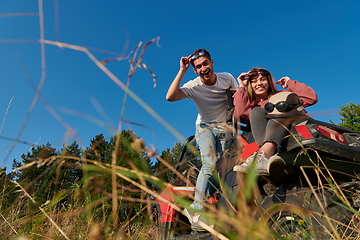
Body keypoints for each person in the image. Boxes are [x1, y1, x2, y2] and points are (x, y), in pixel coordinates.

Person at [166, 49, 238, 230]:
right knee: (209, 163)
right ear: (195, 70)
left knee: (223, 170)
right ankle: (196, 211)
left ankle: (216, 206)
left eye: (205, 64)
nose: (203, 68)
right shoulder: (194, 85)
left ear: (212, 63)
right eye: (198, 67)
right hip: (205, 127)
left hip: (225, 128)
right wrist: (182, 70)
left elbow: (237, 100)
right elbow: (170, 97)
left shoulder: (227, 78)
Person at [232, 67, 318, 180]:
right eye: (254, 81)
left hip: (293, 134)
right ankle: (272, 160)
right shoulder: (253, 107)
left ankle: (263, 155)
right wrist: (241, 86)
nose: (259, 83)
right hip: (271, 142)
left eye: (263, 79)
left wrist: (289, 82)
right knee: (256, 112)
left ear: (268, 82)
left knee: (279, 105)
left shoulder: (281, 94)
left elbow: (311, 98)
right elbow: (241, 113)